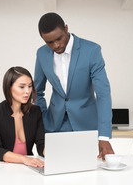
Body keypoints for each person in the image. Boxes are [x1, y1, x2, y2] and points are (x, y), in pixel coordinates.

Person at [34, 12, 114, 160]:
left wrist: (104, 136)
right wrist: (43, 120)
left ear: (66, 28)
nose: (56, 45)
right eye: (49, 42)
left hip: (86, 126)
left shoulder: (91, 50)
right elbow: (37, 92)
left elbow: (103, 93)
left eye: (59, 38)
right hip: (54, 127)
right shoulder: (41, 54)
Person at [0, 66, 45, 167]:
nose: (27, 91)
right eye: (22, 87)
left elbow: (41, 143)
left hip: (28, 168)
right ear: (9, 87)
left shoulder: (35, 111)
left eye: (30, 86)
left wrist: (49, 152)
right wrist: (23, 159)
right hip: (3, 168)